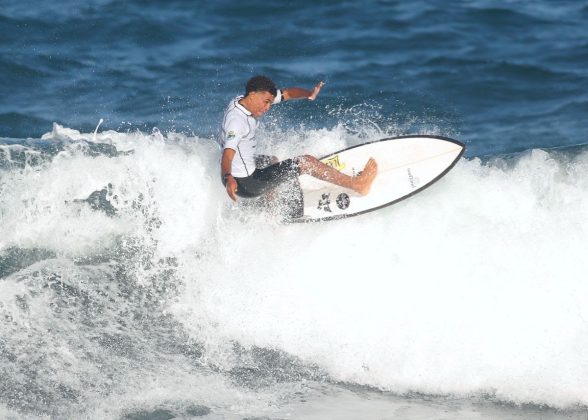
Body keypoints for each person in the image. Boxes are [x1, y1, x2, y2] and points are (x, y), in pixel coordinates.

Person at [220, 75, 377, 203]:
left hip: (237, 174)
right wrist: (229, 179)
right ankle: (357, 185)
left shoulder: (244, 100)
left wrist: (309, 94)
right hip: (245, 184)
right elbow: (227, 155)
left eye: (270, 102)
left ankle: (270, 207)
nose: (268, 107)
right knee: (305, 162)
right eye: (266, 102)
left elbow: (287, 94)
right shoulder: (237, 122)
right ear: (253, 95)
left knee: (272, 161)